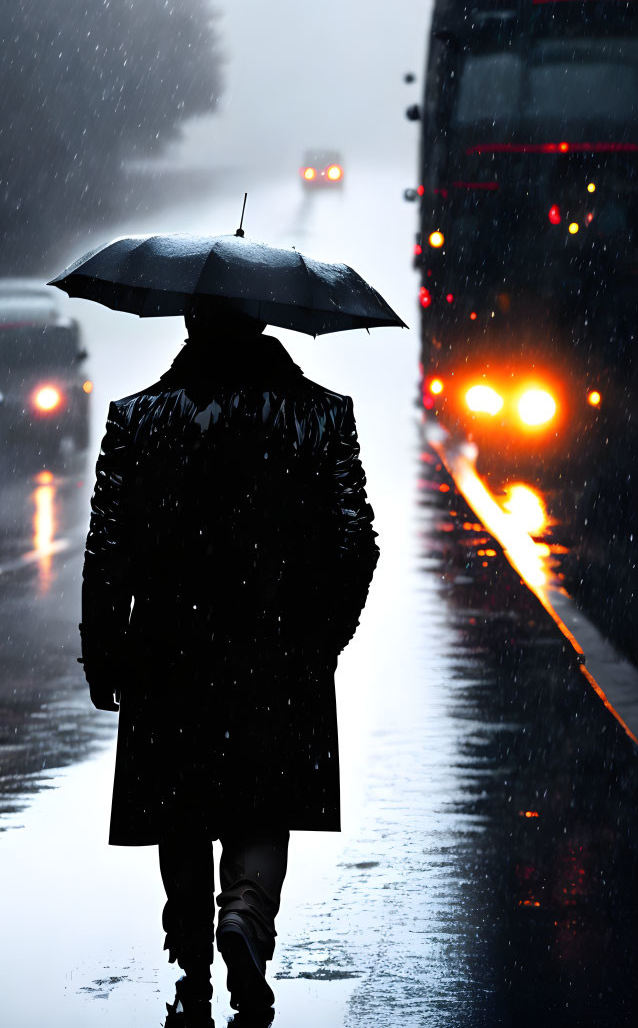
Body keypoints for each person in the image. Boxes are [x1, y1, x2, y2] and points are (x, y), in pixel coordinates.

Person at [79, 296, 379, 1027]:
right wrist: (322, 640)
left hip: (167, 650)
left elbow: (106, 550)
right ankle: (243, 914)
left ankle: (189, 952)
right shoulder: (321, 415)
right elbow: (355, 541)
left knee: (180, 807)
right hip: (276, 652)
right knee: (259, 805)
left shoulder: (136, 417)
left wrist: (103, 651)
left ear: (189, 325)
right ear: (264, 322)